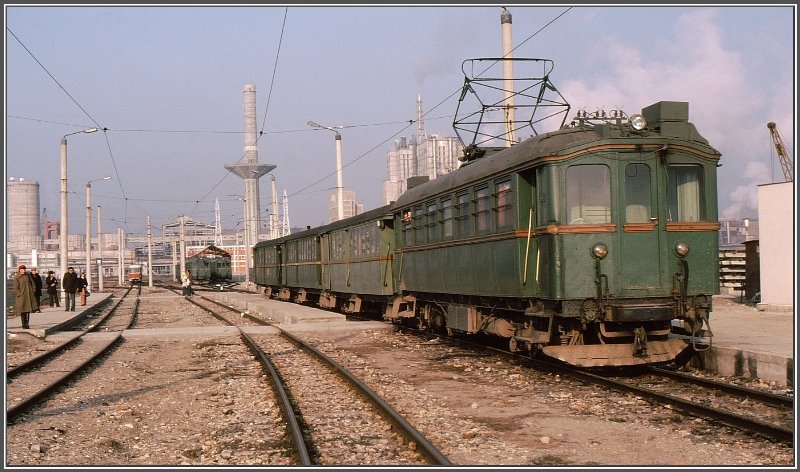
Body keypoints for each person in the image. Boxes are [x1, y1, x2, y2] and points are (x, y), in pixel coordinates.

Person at [12, 264, 38, 329]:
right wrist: (20, 294)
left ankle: (27, 324)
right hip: (22, 297)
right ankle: (24, 324)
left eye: (24, 269)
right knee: (23, 311)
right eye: (22, 270)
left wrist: (33, 290)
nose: (23, 271)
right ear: (19, 270)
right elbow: (15, 288)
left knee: (28, 310)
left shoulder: (28, 275)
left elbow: (32, 283)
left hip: (29, 296)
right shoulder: (17, 277)